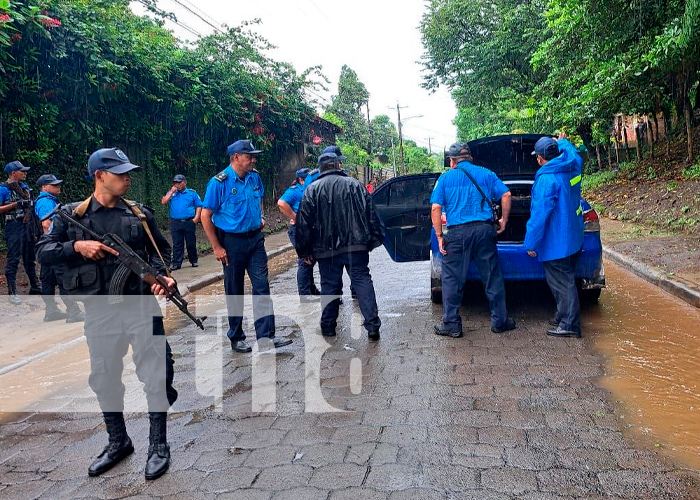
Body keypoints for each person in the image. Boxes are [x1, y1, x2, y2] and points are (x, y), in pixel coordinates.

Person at [36, 148, 178, 480]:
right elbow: (43, 252)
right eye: (121, 173)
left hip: (142, 306)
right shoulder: (72, 215)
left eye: (129, 172)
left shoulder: (140, 215)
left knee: (157, 374)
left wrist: (163, 277)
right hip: (100, 312)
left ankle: (158, 445)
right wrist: (76, 247)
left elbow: (161, 252)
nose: (128, 178)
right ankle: (118, 442)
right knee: (104, 377)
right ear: (100, 176)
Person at [201, 139, 292, 353]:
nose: (253, 159)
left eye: (253, 156)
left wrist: (259, 217)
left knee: (262, 286)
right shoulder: (219, 183)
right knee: (235, 290)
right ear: (236, 158)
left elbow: (258, 199)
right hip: (231, 242)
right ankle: (236, 336)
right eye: (249, 156)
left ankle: (266, 336)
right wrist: (216, 246)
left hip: (255, 240)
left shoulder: (254, 177)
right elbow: (206, 215)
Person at [431, 142, 516, 337]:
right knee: (492, 277)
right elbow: (506, 194)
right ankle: (500, 322)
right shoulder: (486, 173)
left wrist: (439, 236)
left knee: (452, 279)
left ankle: (452, 324)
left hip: (457, 233)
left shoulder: (445, 178)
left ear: (452, 161)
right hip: (484, 231)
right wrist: (503, 220)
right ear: (470, 158)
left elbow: (436, 208)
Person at [295, 152, 383, 340]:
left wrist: (304, 251)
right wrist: (372, 240)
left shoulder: (312, 189)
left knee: (329, 286)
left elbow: (303, 224)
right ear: (337, 165)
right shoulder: (355, 185)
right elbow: (372, 214)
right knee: (362, 281)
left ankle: (328, 326)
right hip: (356, 246)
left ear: (320, 169)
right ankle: (373, 325)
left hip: (325, 249)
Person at [525, 134, 584, 338]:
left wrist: (531, 243)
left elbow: (540, 215)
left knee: (562, 284)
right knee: (565, 280)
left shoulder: (546, 178)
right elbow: (575, 154)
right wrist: (563, 141)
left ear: (540, 158)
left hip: (556, 241)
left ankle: (569, 325)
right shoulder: (572, 165)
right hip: (573, 235)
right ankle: (562, 315)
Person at [34, 174, 84, 323]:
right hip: (52, 246)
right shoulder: (46, 202)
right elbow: (46, 224)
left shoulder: (44, 200)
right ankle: (73, 311)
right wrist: (54, 244)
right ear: (44, 187)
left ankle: (51, 311)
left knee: (48, 278)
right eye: (54, 185)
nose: (58, 186)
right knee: (63, 276)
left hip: (44, 247)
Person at [277, 168, 320, 301]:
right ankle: (304, 294)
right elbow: (281, 203)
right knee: (305, 260)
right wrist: (295, 217)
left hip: (308, 230)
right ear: (301, 180)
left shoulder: (308, 189)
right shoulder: (295, 191)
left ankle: (311, 289)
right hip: (298, 231)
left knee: (311, 260)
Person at [0, 160, 40, 304]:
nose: (25, 173)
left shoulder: (25, 188)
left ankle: (35, 286)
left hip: (28, 226)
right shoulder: (3, 189)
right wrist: (16, 204)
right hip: (13, 227)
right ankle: (12, 292)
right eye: (22, 171)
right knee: (13, 259)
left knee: (30, 258)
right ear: (13, 173)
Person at [161, 174, 202, 270]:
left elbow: (199, 205)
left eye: (179, 182)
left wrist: (196, 218)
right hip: (175, 222)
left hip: (188, 221)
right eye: (175, 183)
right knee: (177, 243)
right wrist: (171, 192)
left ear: (185, 182)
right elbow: (164, 202)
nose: (177, 185)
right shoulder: (172, 193)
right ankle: (176, 263)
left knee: (190, 242)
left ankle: (194, 260)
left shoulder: (192, 193)